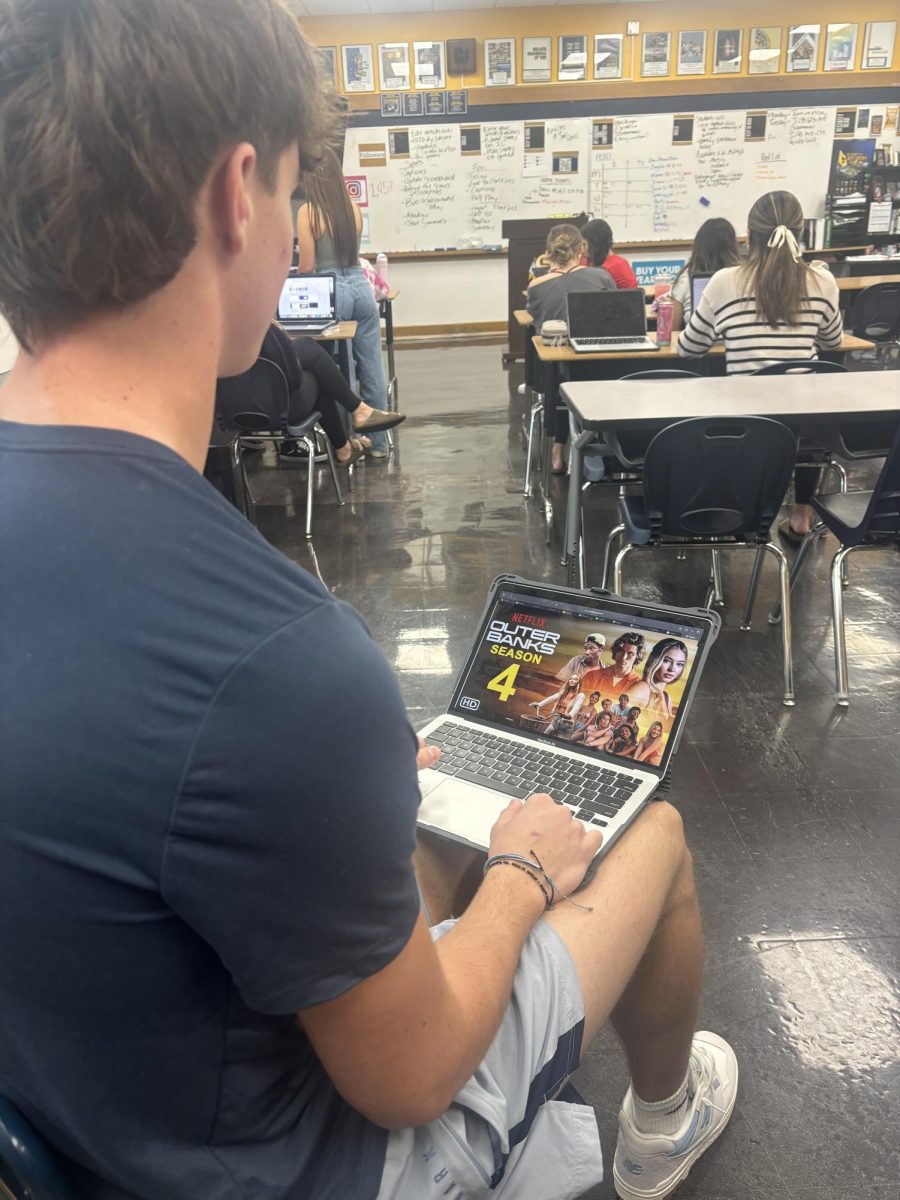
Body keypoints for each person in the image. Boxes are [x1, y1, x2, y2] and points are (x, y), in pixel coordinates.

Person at [0, 4, 737, 1200]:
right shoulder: (275, 653)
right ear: (241, 196)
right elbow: (409, 1078)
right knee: (642, 838)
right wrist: (519, 878)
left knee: (421, 814)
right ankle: (661, 1127)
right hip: (322, 1165)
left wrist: (359, 793)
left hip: (87, 1119)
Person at [677, 190, 843, 542]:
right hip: (805, 416)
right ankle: (801, 516)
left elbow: (690, 348)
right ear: (799, 233)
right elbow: (833, 342)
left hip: (745, 420)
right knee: (804, 424)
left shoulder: (725, 281)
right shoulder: (823, 281)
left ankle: (738, 517)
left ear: (749, 235)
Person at [296, 147, 392, 460]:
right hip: (361, 287)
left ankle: (348, 441)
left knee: (339, 367)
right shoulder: (352, 207)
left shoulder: (307, 212)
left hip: (331, 290)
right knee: (371, 365)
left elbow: (308, 266)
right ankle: (378, 444)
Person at [216, 324, 404, 468]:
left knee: (308, 354)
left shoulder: (213, 329)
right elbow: (293, 379)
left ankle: (347, 439)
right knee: (316, 372)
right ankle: (352, 428)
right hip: (276, 412)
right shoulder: (259, 327)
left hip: (227, 415)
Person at [526, 224, 614, 473]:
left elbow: (536, 318)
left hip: (556, 376)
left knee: (566, 380)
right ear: (581, 248)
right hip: (602, 369)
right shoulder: (602, 277)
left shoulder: (537, 286)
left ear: (549, 251)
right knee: (580, 378)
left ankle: (557, 450)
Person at [668, 218, 741, 330]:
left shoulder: (686, 278)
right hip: (733, 342)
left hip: (696, 342)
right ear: (732, 246)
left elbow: (672, 329)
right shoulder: (743, 276)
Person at [629, 638, 689, 722]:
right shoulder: (642, 689)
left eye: (679, 664)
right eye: (666, 660)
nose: (672, 669)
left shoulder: (667, 697)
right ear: (654, 660)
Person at [581, 631, 647, 701]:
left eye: (631, 654)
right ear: (615, 651)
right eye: (621, 651)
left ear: (637, 657)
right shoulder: (592, 676)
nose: (624, 657)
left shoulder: (639, 687)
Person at [580, 218, 638, 289]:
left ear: (595, 244)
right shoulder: (586, 261)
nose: (582, 249)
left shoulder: (617, 266)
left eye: (584, 245)